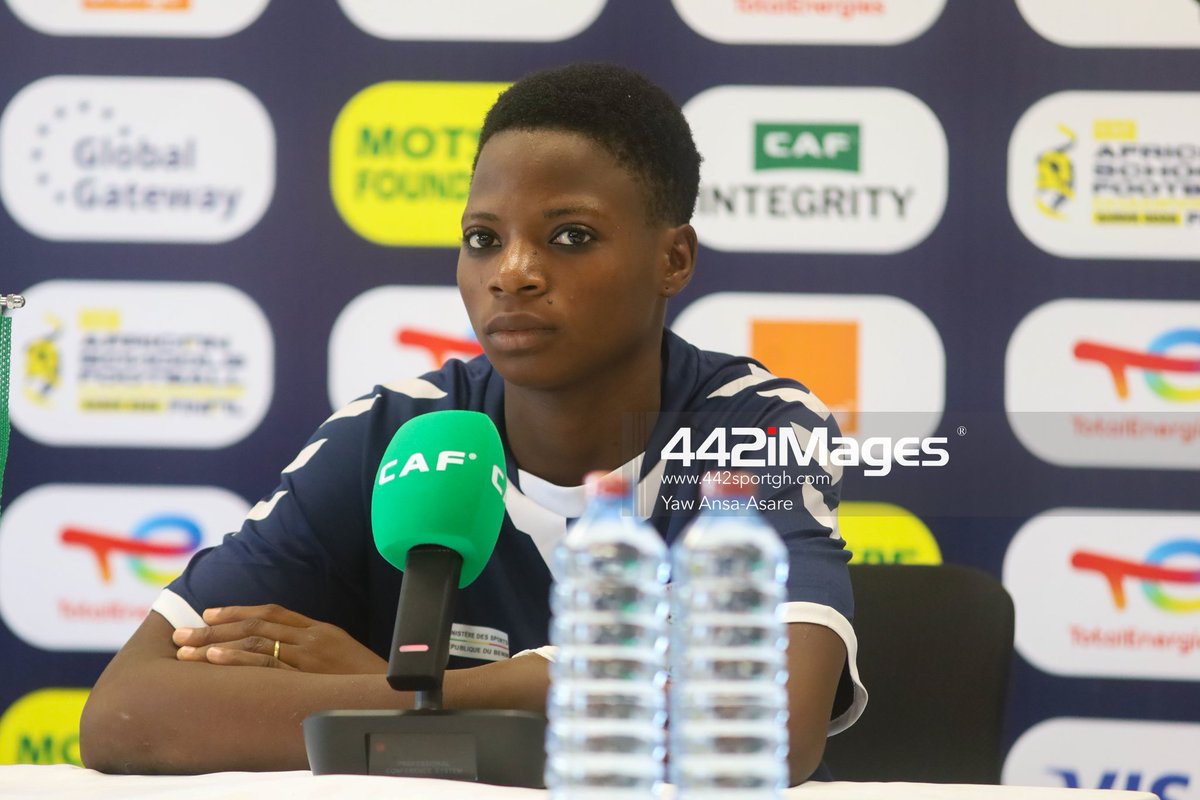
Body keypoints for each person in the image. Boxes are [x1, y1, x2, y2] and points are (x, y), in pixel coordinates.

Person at [79, 63, 865, 784]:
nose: (512, 272)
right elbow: (125, 715)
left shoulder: (754, 430)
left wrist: (381, 689)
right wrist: (518, 690)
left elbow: (764, 727)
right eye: (483, 239)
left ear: (674, 259)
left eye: (570, 236)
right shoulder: (391, 434)